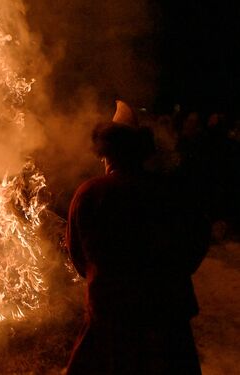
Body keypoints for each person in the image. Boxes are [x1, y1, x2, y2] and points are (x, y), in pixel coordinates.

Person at [65, 101, 210, 374]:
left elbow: (78, 257)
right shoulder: (170, 193)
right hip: (166, 315)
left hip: (111, 314)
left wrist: (104, 275)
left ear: (108, 154)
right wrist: (173, 273)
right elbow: (196, 240)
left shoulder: (90, 193)